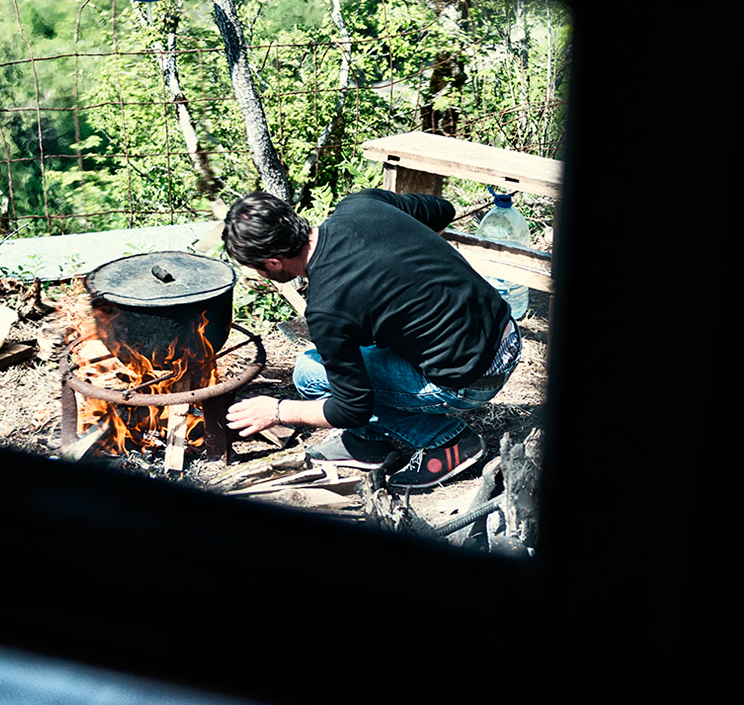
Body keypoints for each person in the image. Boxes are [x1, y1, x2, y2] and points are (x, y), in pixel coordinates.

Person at [220, 187, 522, 491]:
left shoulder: (327, 306)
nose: (258, 275)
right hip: (506, 335)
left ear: (274, 262)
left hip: (472, 379)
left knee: (309, 372)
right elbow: (442, 209)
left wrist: (276, 410)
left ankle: (448, 441)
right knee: (360, 344)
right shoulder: (361, 205)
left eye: (256, 268)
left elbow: (351, 409)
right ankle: (367, 442)